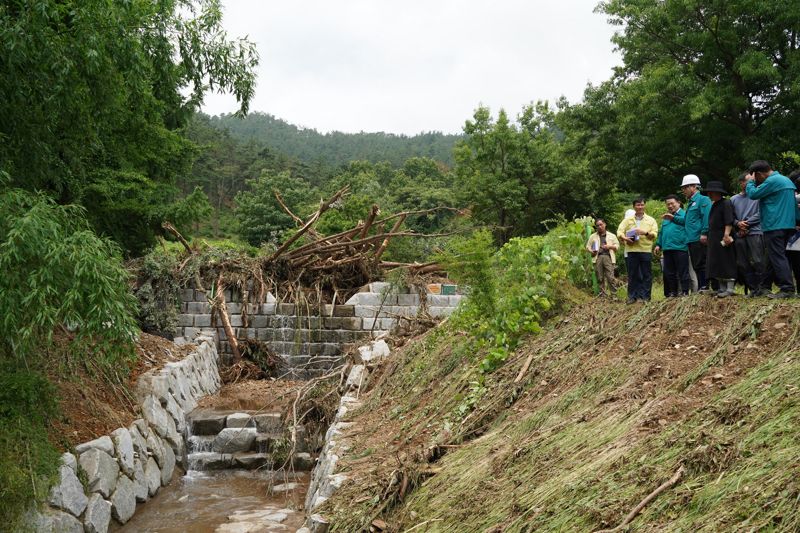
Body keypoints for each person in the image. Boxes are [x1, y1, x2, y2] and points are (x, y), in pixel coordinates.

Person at [745, 160, 798, 298]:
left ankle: (787, 289)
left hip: (775, 225)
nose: (756, 180)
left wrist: (750, 182)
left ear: (759, 174)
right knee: (771, 257)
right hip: (787, 224)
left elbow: (753, 194)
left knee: (778, 256)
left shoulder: (772, 181)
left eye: (755, 177)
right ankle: (764, 286)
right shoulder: (786, 180)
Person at [669, 174, 712, 292]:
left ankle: (705, 286)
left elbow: (706, 217)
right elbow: (687, 221)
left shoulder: (703, 200)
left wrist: (704, 232)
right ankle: (701, 287)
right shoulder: (691, 203)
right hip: (691, 239)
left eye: (685, 187)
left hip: (699, 238)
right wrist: (673, 218)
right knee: (696, 264)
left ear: (693, 186)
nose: (683, 191)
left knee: (702, 262)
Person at [730, 173, 767, 296]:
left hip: (755, 231)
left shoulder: (758, 196)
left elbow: (761, 212)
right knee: (742, 263)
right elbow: (731, 217)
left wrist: (747, 223)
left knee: (758, 261)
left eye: (747, 181)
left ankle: (763, 288)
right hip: (739, 234)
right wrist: (738, 224)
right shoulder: (733, 199)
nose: (745, 184)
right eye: (742, 182)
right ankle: (753, 288)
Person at [617, 198, 658, 303]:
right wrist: (625, 238)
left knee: (646, 274)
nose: (640, 207)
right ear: (634, 206)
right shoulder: (628, 220)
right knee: (632, 274)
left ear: (645, 206)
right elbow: (620, 231)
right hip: (632, 250)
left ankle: (646, 297)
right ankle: (632, 297)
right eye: (638, 205)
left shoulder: (651, 220)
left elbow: (654, 234)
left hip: (645, 250)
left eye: (642, 205)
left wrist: (645, 233)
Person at [704, 181, 737, 297]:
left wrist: (727, 234)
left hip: (723, 236)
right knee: (716, 262)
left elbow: (729, 220)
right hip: (714, 238)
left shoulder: (726, 203)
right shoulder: (714, 204)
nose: (708, 193)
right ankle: (721, 288)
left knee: (726, 261)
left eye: (710, 191)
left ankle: (730, 289)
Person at [654, 195, 690, 296]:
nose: (670, 206)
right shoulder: (666, 217)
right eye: (668, 204)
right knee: (669, 272)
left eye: (672, 203)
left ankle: (684, 291)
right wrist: (658, 245)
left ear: (678, 203)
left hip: (680, 248)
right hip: (667, 248)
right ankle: (673, 292)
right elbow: (662, 232)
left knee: (683, 271)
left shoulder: (685, 215)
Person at [585, 218, 620, 297]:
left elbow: (617, 246)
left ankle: (613, 294)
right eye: (597, 225)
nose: (599, 227)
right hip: (598, 257)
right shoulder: (593, 236)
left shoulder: (612, 235)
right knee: (600, 277)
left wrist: (609, 246)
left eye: (601, 224)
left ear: (604, 224)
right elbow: (587, 247)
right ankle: (603, 294)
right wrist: (591, 251)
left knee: (610, 277)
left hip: (608, 257)